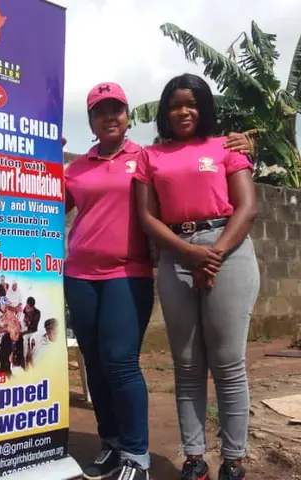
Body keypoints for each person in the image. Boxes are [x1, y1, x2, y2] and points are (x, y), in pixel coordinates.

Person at [64, 81, 253, 480]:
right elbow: (47, 203)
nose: (109, 117)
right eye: (100, 111)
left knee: (123, 362)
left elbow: (237, 202)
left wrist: (209, 251)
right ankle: (113, 445)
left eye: (116, 109)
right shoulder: (78, 167)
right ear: (91, 121)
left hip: (128, 271)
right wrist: (40, 158)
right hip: (80, 273)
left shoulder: (144, 156)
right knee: (97, 365)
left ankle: (139, 455)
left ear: (128, 115)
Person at [135, 73, 259, 480]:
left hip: (229, 249)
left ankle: (234, 460)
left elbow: (247, 206)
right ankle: (193, 458)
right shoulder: (151, 156)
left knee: (228, 363)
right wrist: (189, 253)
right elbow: (147, 216)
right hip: (176, 254)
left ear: (204, 108)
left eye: (191, 104)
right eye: (174, 105)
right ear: (164, 112)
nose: (182, 111)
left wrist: (215, 254)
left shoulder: (226, 146)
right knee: (186, 365)